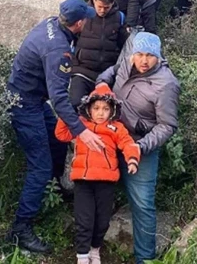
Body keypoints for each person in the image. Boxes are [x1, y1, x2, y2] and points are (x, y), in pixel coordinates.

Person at [6, 0, 107, 254]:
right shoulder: (57, 49)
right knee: (39, 166)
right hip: (24, 104)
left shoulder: (53, 23)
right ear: (78, 23)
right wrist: (82, 131)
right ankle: (21, 228)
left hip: (32, 97)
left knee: (57, 141)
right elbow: (59, 97)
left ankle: (54, 188)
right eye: (86, 18)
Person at [96, 32, 180, 264]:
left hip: (140, 147)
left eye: (150, 56)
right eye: (140, 54)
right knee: (95, 190)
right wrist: (103, 82)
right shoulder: (127, 61)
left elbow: (167, 125)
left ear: (158, 56)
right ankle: (92, 248)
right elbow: (113, 71)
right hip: (111, 138)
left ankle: (145, 259)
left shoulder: (167, 84)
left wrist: (140, 147)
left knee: (142, 205)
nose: (144, 61)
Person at [55, 85, 141, 264]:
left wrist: (132, 160)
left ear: (112, 110)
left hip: (106, 182)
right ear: (88, 109)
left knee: (102, 221)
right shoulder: (80, 125)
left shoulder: (116, 128)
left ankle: (95, 250)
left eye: (105, 109)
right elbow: (61, 134)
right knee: (83, 220)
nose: (100, 113)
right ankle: (82, 256)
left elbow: (128, 144)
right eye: (96, 108)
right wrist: (67, 113)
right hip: (83, 181)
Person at [69, 0, 129, 108]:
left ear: (113, 3)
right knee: (76, 104)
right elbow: (70, 38)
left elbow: (125, 45)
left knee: (105, 110)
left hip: (106, 74)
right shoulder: (83, 14)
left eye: (106, 8)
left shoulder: (119, 18)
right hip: (82, 71)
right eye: (99, 7)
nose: (102, 10)